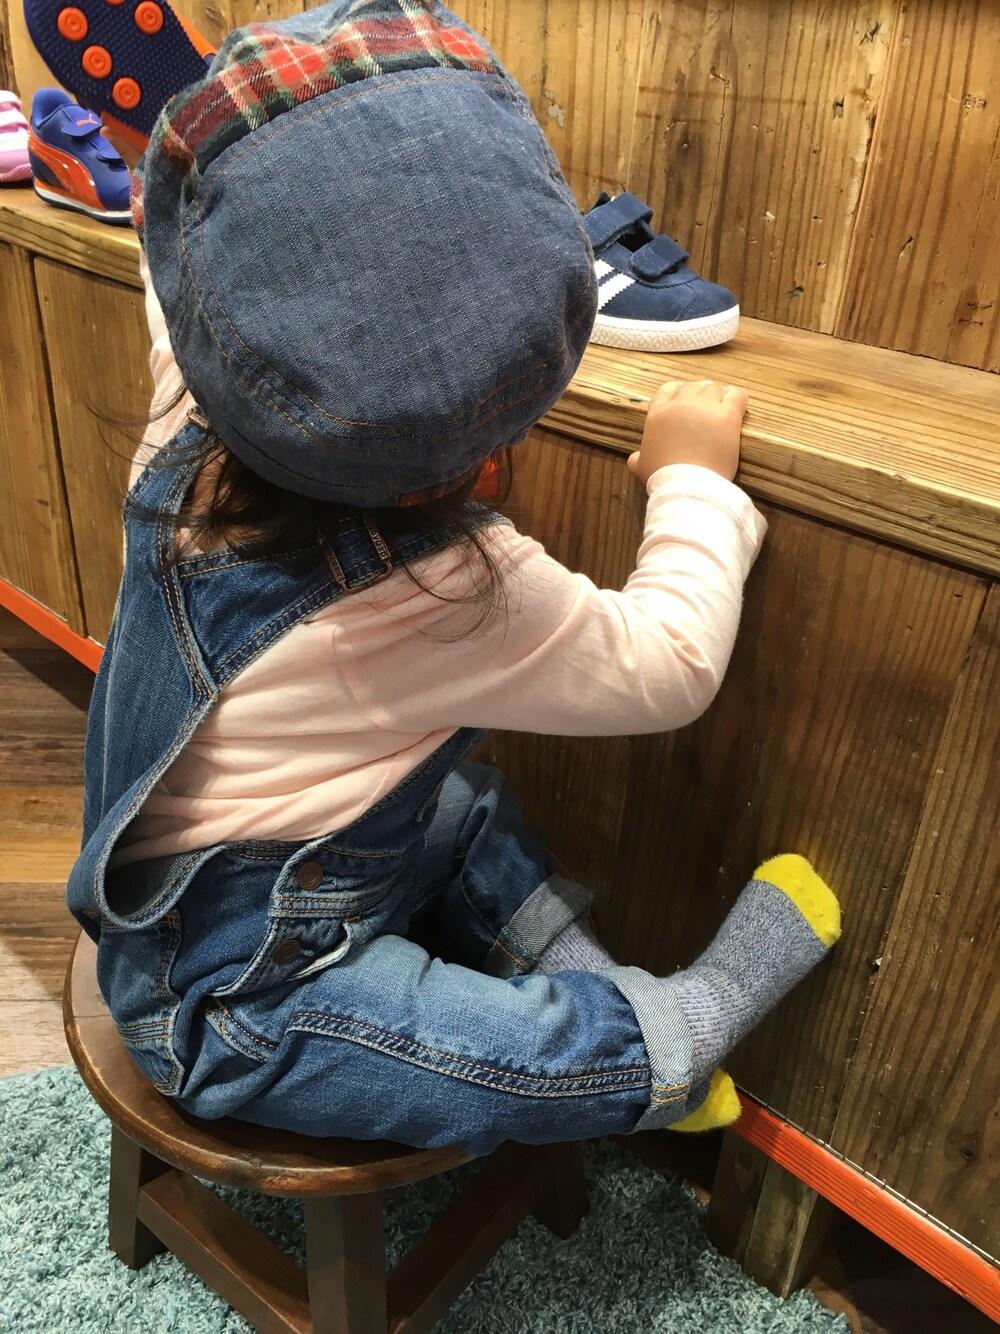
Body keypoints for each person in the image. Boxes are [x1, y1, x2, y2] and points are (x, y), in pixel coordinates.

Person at [64, 0, 840, 1155]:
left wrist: (200, 174)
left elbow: (173, 275)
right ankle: (668, 1038)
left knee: (458, 808)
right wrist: (690, 481)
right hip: (223, 998)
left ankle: (570, 958)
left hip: (307, 864)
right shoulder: (450, 586)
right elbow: (670, 664)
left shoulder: (191, 402)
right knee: (458, 1047)